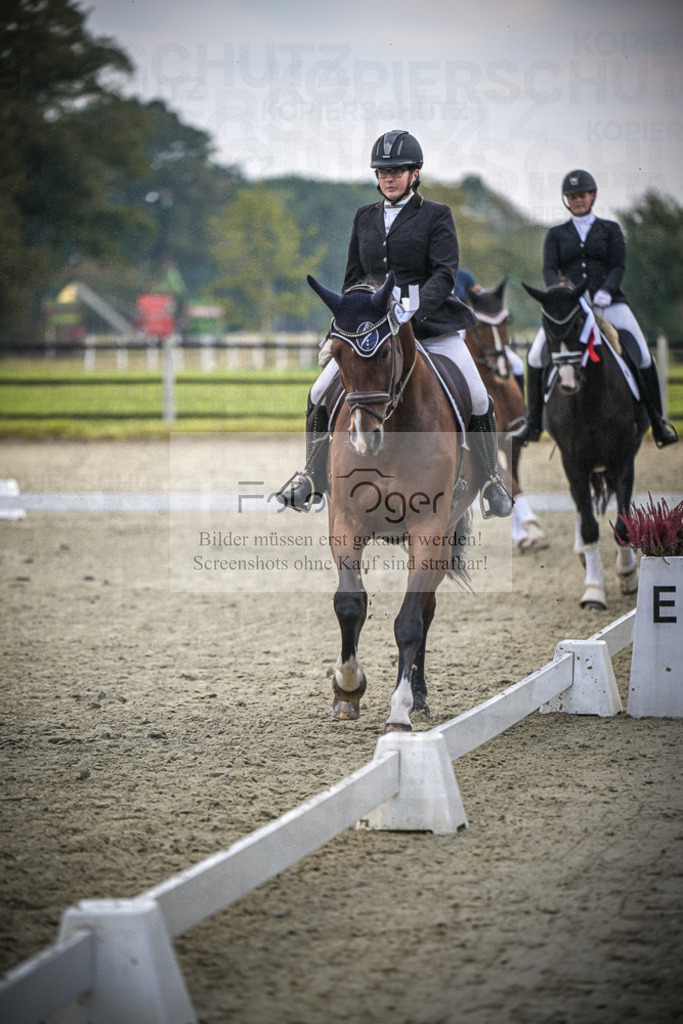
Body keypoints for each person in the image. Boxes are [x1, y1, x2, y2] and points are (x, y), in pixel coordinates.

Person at [276, 130, 514, 517]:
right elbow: (353, 277)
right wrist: (341, 328)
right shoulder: (364, 217)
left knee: (478, 396)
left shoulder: (437, 215)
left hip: (432, 328)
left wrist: (411, 310)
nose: (389, 177)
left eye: (398, 171)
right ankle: (312, 477)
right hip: (372, 336)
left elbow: (444, 273)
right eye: (383, 171)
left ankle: (490, 482)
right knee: (317, 393)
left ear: (415, 174)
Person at [513, 169, 677, 447]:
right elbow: (549, 270)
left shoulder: (610, 229)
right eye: (572, 196)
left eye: (582, 195)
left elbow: (617, 266)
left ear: (592, 196)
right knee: (534, 357)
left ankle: (658, 421)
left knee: (643, 355)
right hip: (570, 309)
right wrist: (558, 292)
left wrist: (606, 291)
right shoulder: (556, 234)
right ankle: (532, 423)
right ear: (567, 200)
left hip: (609, 304)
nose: (577, 200)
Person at [454, 268, 526, 396]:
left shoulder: (464, 276)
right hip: (450, 330)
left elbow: (481, 297)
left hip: (472, 328)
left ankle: (525, 410)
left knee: (518, 364)